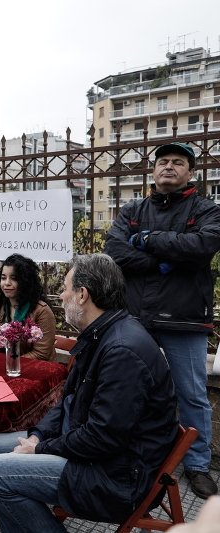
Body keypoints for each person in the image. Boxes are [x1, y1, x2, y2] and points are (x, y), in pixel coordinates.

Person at [0, 254, 178, 532]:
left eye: (66, 288)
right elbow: (66, 402)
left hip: (114, 475)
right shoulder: (99, 335)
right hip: (87, 447)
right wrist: (38, 435)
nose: (61, 294)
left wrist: (40, 449)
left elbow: (102, 438)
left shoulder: (121, 351)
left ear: (83, 295)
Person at [104, 142, 220, 499]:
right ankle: (135, 452)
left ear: (190, 173)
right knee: (129, 387)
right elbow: (114, 251)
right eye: (163, 162)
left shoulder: (207, 209)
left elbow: (203, 245)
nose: (168, 166)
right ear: (153, 170)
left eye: (178, 162)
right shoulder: (132, 209)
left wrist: (148, 239)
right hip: (136, 317)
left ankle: (197, 464)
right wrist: (162, 260)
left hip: (183, 319)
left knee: (191, 394)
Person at [0, 254, 55, 360]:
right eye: (3, 278)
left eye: (14, 278)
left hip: (34, 370)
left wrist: (12, 364)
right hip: (4, 367)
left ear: (25, 282)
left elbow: (41, 353)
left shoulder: (42, 311)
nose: (7, 283)